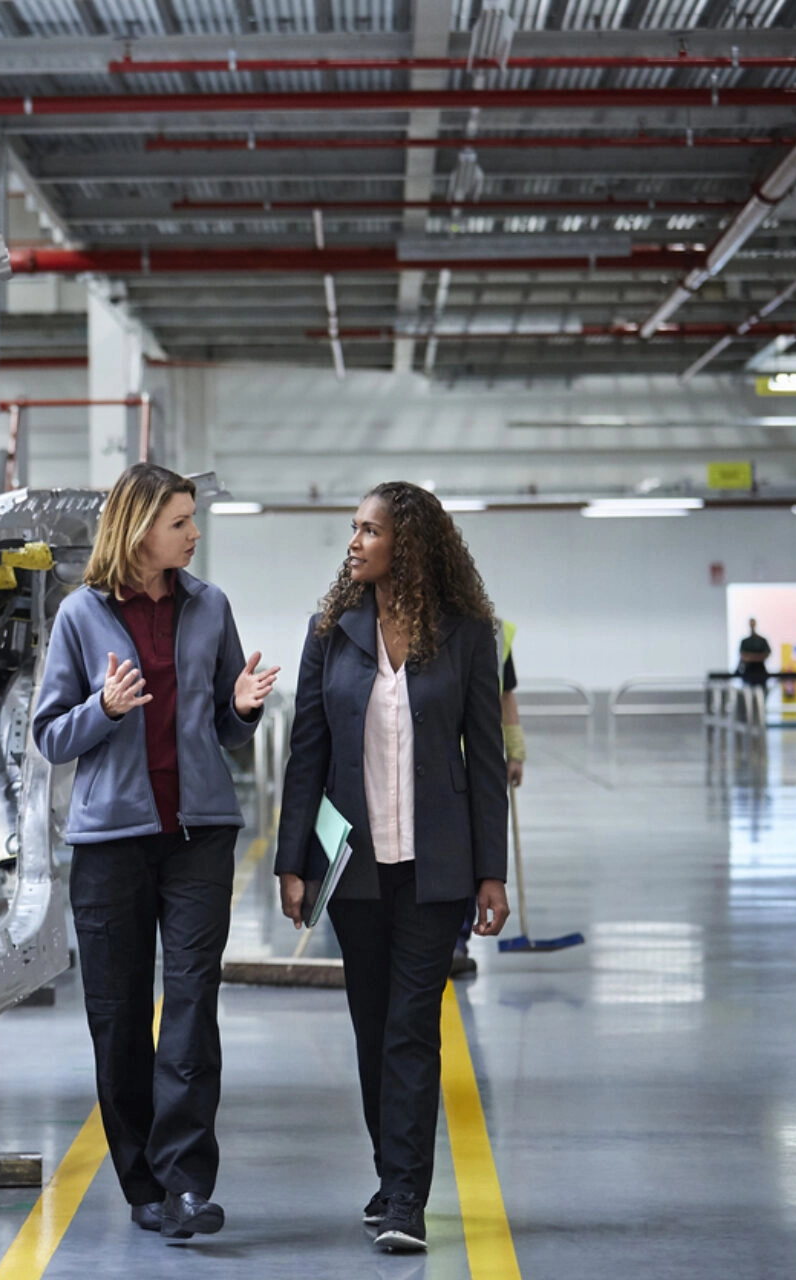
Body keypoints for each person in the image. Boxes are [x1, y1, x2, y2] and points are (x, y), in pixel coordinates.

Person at [32, 464, 279, 1241]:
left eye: (192, 519)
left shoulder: (210, 607)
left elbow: (227, 729)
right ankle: (142, 1183)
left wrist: (241, 709)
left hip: (199, 834)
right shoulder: (80, 615)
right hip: (111, 843)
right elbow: (49, 735)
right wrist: (103, 710)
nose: (194, 533)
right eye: (180, 522)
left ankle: (187, 1184)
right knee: (119, 1017)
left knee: (193, 1007)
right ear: (139, 530)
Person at [273, 481, 510, 1254]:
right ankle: (390, 1174)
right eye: (354, 529)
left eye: (369, 530)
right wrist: (292, 863)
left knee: (412, 1028)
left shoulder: (468, 635)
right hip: (355, 869)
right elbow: (307, 753)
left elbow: (485, 759)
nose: (355, 542)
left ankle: (407, 1196)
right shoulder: (330, 634)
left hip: (437, 869)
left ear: (408, 544)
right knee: (373, 1027)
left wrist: (492, 872)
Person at [451, 625, 524, 979]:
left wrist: (515, 751)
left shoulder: (496, 632)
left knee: (468, 853)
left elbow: (505, 696)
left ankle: (457, 940)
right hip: (441, 758)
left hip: (478, 760)